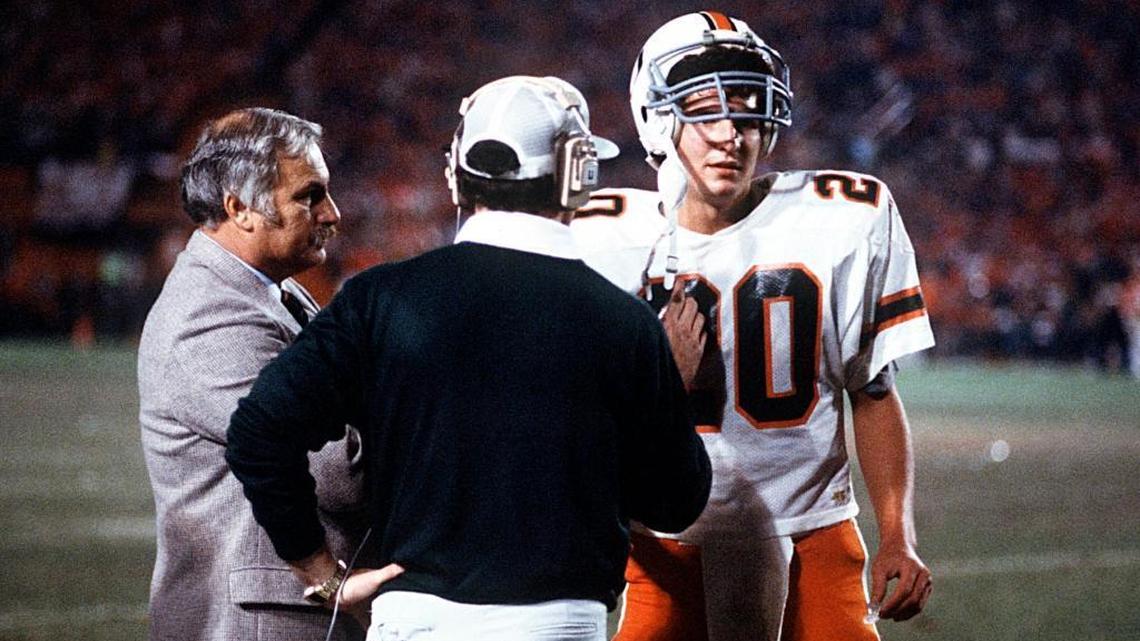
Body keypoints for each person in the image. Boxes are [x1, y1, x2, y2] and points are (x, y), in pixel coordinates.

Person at [225, 75, 712, 641]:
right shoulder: (624, 325)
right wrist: (667, 392)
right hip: (556, 622)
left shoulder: (379, 299)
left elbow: (258, 433)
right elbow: (676, 504)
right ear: (579, 175)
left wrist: (320, 573)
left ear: (457, 173)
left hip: (414, 619)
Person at [571, 11, 935, 641]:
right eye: (704, 111)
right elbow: (572, 424)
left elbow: (873, 393)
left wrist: (898, 535)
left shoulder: (845, 215)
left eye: (746, 111)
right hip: (667, 540)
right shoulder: (598, 237)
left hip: (815, 533)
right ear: (658, 119)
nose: (729, 135)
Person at [138, 107, 374, 641]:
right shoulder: (208, 317)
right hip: (256, 620)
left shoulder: (271, 290)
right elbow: (337, 473)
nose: (332, 213)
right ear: (240, 207)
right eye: (309, 196)